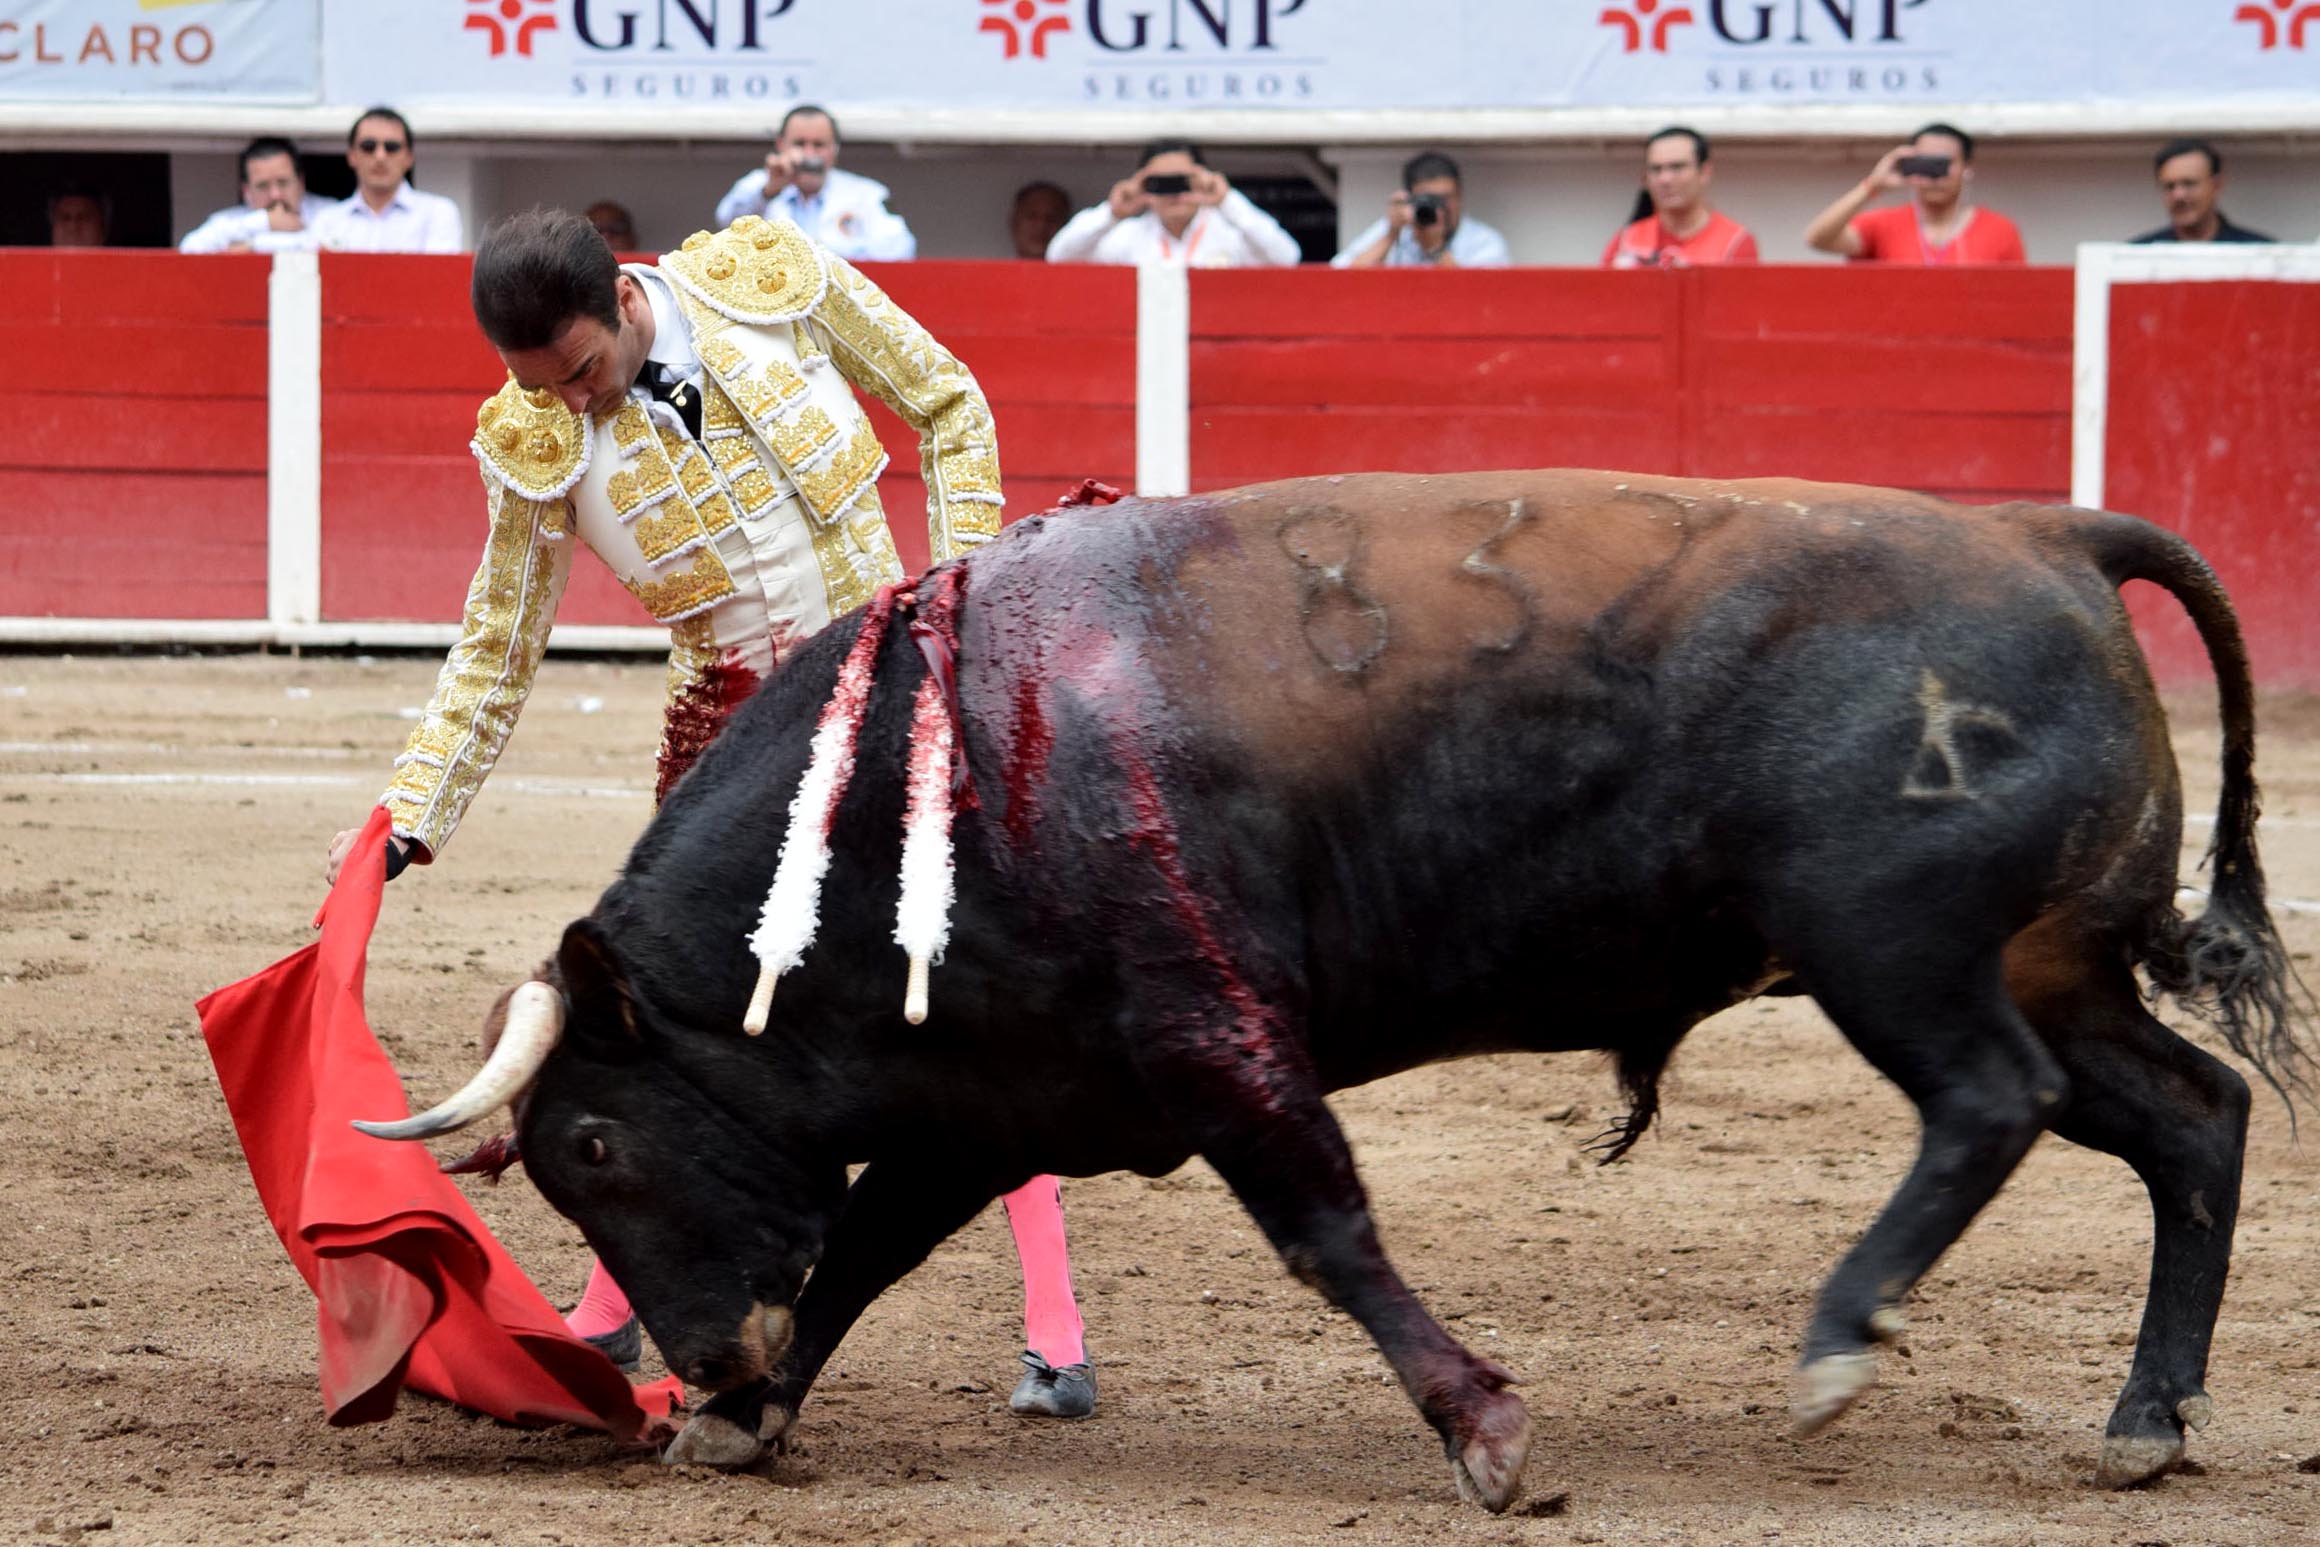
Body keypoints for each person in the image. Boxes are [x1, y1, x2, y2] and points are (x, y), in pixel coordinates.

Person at [321, 206, 1094, 1420]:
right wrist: (408, 814)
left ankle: (1055, 1329)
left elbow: (947, 402)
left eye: (581, 371)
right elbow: (497, 645)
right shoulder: (531, 438)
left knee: (956, 1005)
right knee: (675, 1040)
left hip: (892, 702)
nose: (568, 404)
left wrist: (965, 608)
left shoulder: (764, 280)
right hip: (724, 764)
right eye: (540, 385)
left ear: (627, 304)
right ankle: (605, 1313)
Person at [1047, 140, 1299, 268]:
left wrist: (1227, 201)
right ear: (1143, 184)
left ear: (1202, 179)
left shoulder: (1228, 231)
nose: (1174, 193)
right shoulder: (1128, 235)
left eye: (1182, 181)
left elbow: (1287, 257)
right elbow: (1059, 256)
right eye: (1162, 183)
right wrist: (1111, 213)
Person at [712, 105, 916, 262]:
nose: (809, 155)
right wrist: (770, 190)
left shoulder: (866, 194)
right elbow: (725, 223)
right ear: (781, 145)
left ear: (834, 150)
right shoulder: (761, 184)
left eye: (819, 145)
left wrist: (837, 262)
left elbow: (902, 249)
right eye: (800, 144)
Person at [1804, 122, 2025, 265]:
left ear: (1967, 168)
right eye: (1926, 164)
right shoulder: (1883, 225)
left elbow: (2019, 299)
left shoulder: (1999, 230)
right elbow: (1818, 239)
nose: (1934, 176)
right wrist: (1873, 185)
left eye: (1943, 164)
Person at [310, 107, 464, 254]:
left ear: (409, 157)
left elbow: (438, 277)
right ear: (351, 156)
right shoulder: (327, 221)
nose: (380, 156)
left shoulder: (437, 213)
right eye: (368, 146)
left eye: (391, 147)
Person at [1602, 127, 1758, 268]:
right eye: (1656, 169)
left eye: (1677, 167)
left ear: (1704, 172)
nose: (1665, 179)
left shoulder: (1733, 242)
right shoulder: (1627, 241)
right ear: (1645, 178)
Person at [1331, 151, 1510, 269]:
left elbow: (1479, 299)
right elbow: (1338, 281)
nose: (1440, 209)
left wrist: (1436, 249)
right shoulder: (1395, 230)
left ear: (1460, 197)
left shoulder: (1484, 241)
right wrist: (1390, 236)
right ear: (1410, 198)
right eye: (1429, 200)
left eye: (1445, 199)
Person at [179, 137, 339, 255]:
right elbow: (188, 251)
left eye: (283, 183)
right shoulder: (230, 221)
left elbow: (338, 250)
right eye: (263, 186)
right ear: (246, 191)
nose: (275, 195)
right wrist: (263, 222)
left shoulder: (330, 213)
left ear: (301, 183)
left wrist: (252, 246)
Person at [2134, 140, 2273, 245]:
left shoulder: (2259, 252)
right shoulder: (2135, 257)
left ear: (2216, 185)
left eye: (2189, 183)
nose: (2178, 195)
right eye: (2169, 186)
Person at [1008, 181, 1073, 261]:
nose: (1041, 226)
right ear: (1014, 222)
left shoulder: (1080, 273)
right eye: (1031, 216)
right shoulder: (996, 273)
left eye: (1051, 219)